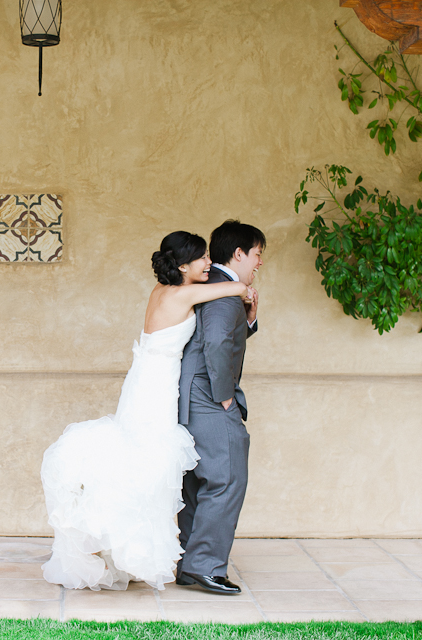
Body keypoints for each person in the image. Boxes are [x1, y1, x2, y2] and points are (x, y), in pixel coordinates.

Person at [40, 231, 253, 591]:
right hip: (157, 386)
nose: (208, 265)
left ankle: (131, 547)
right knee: (145, 467)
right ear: (183, 266)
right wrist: (244, 292)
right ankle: (128, 545)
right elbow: (232, 288)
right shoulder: (184, 293)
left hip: (145, 379)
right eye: (202, 259)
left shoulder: (162, 291)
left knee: (140, 463)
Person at [175, 219, 265, 596]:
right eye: (258, 254)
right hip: (210, 397)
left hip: (192, 394)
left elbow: (223, 333)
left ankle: (188, 563)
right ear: (239, 253)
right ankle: (204, 566)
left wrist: (250, 319)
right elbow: (214, 341)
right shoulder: (225, 292)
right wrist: (225, 395)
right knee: (227, 478)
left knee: (199, 483)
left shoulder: (216, 289)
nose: (259, 263)